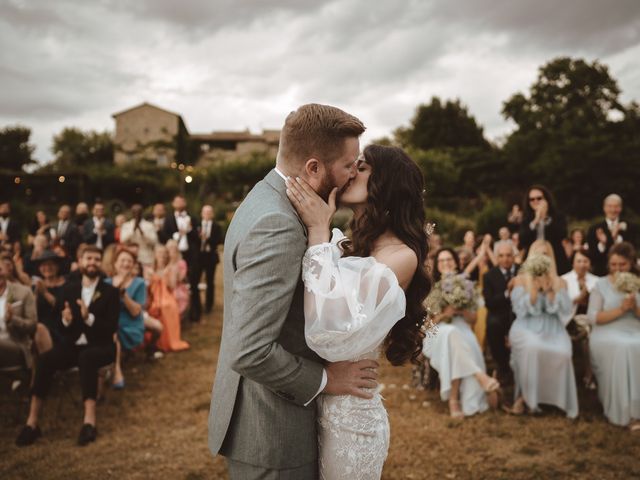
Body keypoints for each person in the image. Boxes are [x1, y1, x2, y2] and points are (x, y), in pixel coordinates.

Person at [209, 104, 378, 479]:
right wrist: (326, 380)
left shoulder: (265, 197)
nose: (355, 173)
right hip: (272, 430)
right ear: (313, 168)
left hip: (266, 418)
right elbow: (250, 350)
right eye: (349, 164)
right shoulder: (278, 224)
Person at [285, 144, 431, 477]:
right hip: (317, 401)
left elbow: (330, 331)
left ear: (386, 183)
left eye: (361, 167)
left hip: (351, 420)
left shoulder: (401, 256)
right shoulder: (345, 244)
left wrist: (319, 231)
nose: (351, 171)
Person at [16, 246, 119, 447]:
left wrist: (89, 318)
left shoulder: (110, 292)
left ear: (101, 263)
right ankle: (32, 423)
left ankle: (89, 422)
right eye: (88, 258)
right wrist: (66, 321)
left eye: (97, 259)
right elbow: (60, 326)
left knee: (87, 358)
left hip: (102, 346)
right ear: (80, 261)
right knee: (46, 360)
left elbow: (111, 328)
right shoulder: (69, 289)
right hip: (74, 345)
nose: (92, 262)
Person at [423, 248, 499, 419]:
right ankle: (477, 381)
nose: (446, 263)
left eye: (449, 259)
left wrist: (459, 311)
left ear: (456, 262)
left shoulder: (465, 285)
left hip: (462, 328)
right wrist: (444, 314)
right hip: (437, 332)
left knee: (457, 338)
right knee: (451, 333)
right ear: (437, 265)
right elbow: (427, 325)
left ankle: (465, 396)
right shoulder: (431, 289)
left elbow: (472, 320)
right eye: (441, 261)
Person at [508, 240, 578, 418]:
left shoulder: (560, 282)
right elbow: (519, 310)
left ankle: (554, 399)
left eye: (545, 254)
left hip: (552, 326)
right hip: (526, 326)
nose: (541, 258)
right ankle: (527, 397)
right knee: (533, 348)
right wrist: (533, 292)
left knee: (563, 353)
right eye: (538, 254)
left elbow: (565, 310)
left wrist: (550, 292)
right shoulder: (520, 280)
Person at [587, 242, 640, 429]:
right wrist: (621, 309)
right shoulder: (600, 285)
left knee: (636, 345)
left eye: (622, 264)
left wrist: (635, 308)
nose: (617, 269)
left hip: (635, 329)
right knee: (625, 347)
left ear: (631, 264)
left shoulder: (638, 283)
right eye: (614, 265)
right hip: (607, 332)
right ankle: (627, 412)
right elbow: (593, 317)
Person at [106, 247, 146, 389]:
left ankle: (116, 370)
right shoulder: (106, 282)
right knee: (109, 329)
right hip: (109, 324)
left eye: (129, 261)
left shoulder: (139, 283)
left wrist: (123, 294)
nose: (126, 264)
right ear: (115, 263)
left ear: (133, 265)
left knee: (113, 332)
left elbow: (136, 312)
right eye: (122, 260)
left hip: (130, 326)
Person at [561, 249, 598, 389]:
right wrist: (577, 299)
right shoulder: (564, 280)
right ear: (573, 263)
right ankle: (588, 375)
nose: (582, 265)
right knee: (586, 334)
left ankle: (590, 374)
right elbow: (561, 306)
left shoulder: (597, 280)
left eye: (585, 261)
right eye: (579, 261)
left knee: (589, 332)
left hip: (592, 318)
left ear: (590, 263)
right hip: (570, 319)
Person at [483, 241, 518, 385]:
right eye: (501, 256)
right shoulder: (489, 276)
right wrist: (506, 293)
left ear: (514, 256)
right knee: (493, 326)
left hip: (520, 314)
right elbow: (489, 302)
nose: (505, 259)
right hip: (498, 313)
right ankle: (503, 366)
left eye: (509, 255)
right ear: (497, 257)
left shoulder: (522, 272)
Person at [162, 195, 200, 322]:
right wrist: (176, 236)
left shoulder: (193, 218)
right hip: (174, 256)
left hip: (190, 256)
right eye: (176, 201)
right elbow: (164, 237)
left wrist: (189, 230)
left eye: (181, 200)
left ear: (185, 203)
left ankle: (195, 313)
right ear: (173, 203)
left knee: (193, 284)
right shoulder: (168, 219)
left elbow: (198, 238)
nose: (179, 203)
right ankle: (176, 315)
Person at [519, 185, 570, 275]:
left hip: (555, 259)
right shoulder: (526, 219)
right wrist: (536, 221)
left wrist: (545, 218)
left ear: (546, 199)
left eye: (539, 198)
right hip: (533, 260)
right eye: (532, 199)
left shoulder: (557, 216)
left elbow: (562, 234)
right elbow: (522, 240)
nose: (535, 201)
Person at [148, 244, 189, 352]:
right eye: (159, 253)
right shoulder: (150, 269)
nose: (162, 255)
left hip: (167, 296)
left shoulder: (170, 268)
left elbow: (171, 286)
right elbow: (148, 286)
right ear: (155, 255)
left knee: (167, 306)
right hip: (153, 296)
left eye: (164, 253)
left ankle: (167, 341)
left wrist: (166, 276)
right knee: (156, 307)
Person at [587, 194, 639, 276]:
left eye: (616, 207)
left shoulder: (631, 227)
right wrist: (604, 243)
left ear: (620, 208)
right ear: (604, 208)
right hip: (602, 273)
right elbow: (593, 257)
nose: (613, 210)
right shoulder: (594, 229)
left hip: (627, 275)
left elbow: (633, 252)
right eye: (609, 206)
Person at [0, 259, 37, 370]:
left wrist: (12, 319)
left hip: (16, 344)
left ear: (6, 270)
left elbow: (33, 326)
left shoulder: (24, 292)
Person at [31, 250, 66, 353]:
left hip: (60, 326)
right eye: (44, 265)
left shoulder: (67, 284)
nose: (47, 268)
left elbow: (62, 308)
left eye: (51, 264)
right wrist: (36, 294)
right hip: (40, 325)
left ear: (57, 266)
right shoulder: (36, 285)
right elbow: (32, 312)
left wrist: (45, 293)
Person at [191, 205, 223, 314]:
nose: (207, 214)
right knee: (195, 281)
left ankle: (209, 306)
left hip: (211, 257)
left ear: (212, 214)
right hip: (198, 257)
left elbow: (219, 240)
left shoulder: (217, 226)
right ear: (201, 213)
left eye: (209, 212)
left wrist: (207, 239)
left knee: (210, 282)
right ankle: (196, 306)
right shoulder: (196, 225)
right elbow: (192, 239)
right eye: (205, 212)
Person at [120, 204, 158, 268]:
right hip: (131, 256)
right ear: (132, 213)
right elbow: (122, 240)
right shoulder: (126, 225)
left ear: (141, 213)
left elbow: (154, 241)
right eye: (134, 212)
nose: (137, 214)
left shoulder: (149, 225)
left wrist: (143, 234)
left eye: (138, 212)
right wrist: (133, 231)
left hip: (147, 257)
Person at [166, 240, 189, 318]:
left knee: (178, 296)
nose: (171, 252)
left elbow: (180, 279)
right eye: (169, 249)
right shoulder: (165, 262)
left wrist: (174, 265)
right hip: (166, 287)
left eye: (173, 249)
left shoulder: (181, 263)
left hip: (178, 287)